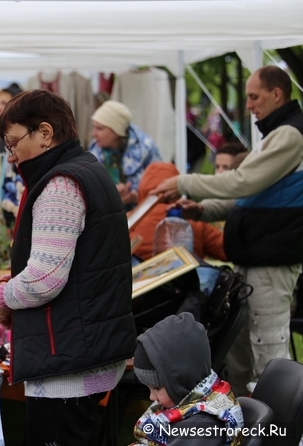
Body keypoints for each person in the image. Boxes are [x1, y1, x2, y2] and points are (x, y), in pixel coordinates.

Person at [0, 90, 136, 446]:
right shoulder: (85, 170)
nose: (11, 157)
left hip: (68, 362)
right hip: (82, 351)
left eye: (13, 144)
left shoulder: (60, 185)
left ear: (45, 133)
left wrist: (1, 297)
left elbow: (43, 280)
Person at [151, 65, 303, 396]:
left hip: (271, 261)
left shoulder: (290, 135)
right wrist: (204, 209)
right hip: (256, 257)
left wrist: (184, 182)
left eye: (253, 96)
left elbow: (242, 181)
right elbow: (250, 196)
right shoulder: (276, 135)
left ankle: (283, 430)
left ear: (277, 94)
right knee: (243, 351)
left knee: (269, 353)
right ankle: (248, 424)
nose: (248, 105)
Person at [131, 313, 244, 446]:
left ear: (182, 379)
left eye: (156, 388)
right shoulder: (195, 396)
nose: (151, 397)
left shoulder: (202, 428)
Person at [131, 163, 227, 262]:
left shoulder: (127, 221)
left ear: (142, 187)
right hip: (185, 276)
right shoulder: (192, 219)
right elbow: (227, 249)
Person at [88, 100, 161, 208]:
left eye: (99, 128)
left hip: (140, 217)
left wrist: (138, 198)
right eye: (94, 127)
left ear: (117, 131)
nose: (93, 134)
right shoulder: (94, 150)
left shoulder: (146, 150)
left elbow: (160, 190)